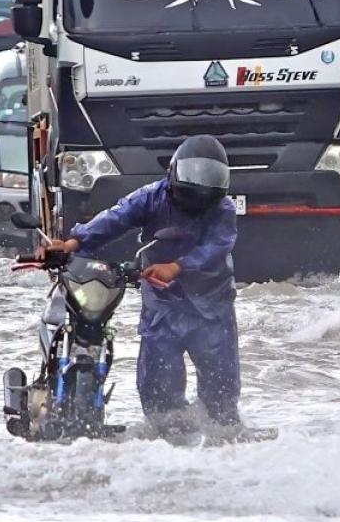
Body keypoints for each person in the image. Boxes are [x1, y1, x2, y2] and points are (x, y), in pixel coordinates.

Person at [45, 134, 240, 429]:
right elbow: (117, 217)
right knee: (158, 388)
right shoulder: (152, 196)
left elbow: (216, 247)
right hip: (163, 303)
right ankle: (167, 443)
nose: (199, 189)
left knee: (221, 392)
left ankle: (222, 443)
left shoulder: (222, 208)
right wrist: (75, 241)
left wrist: (177, 266)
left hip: (211, 304)